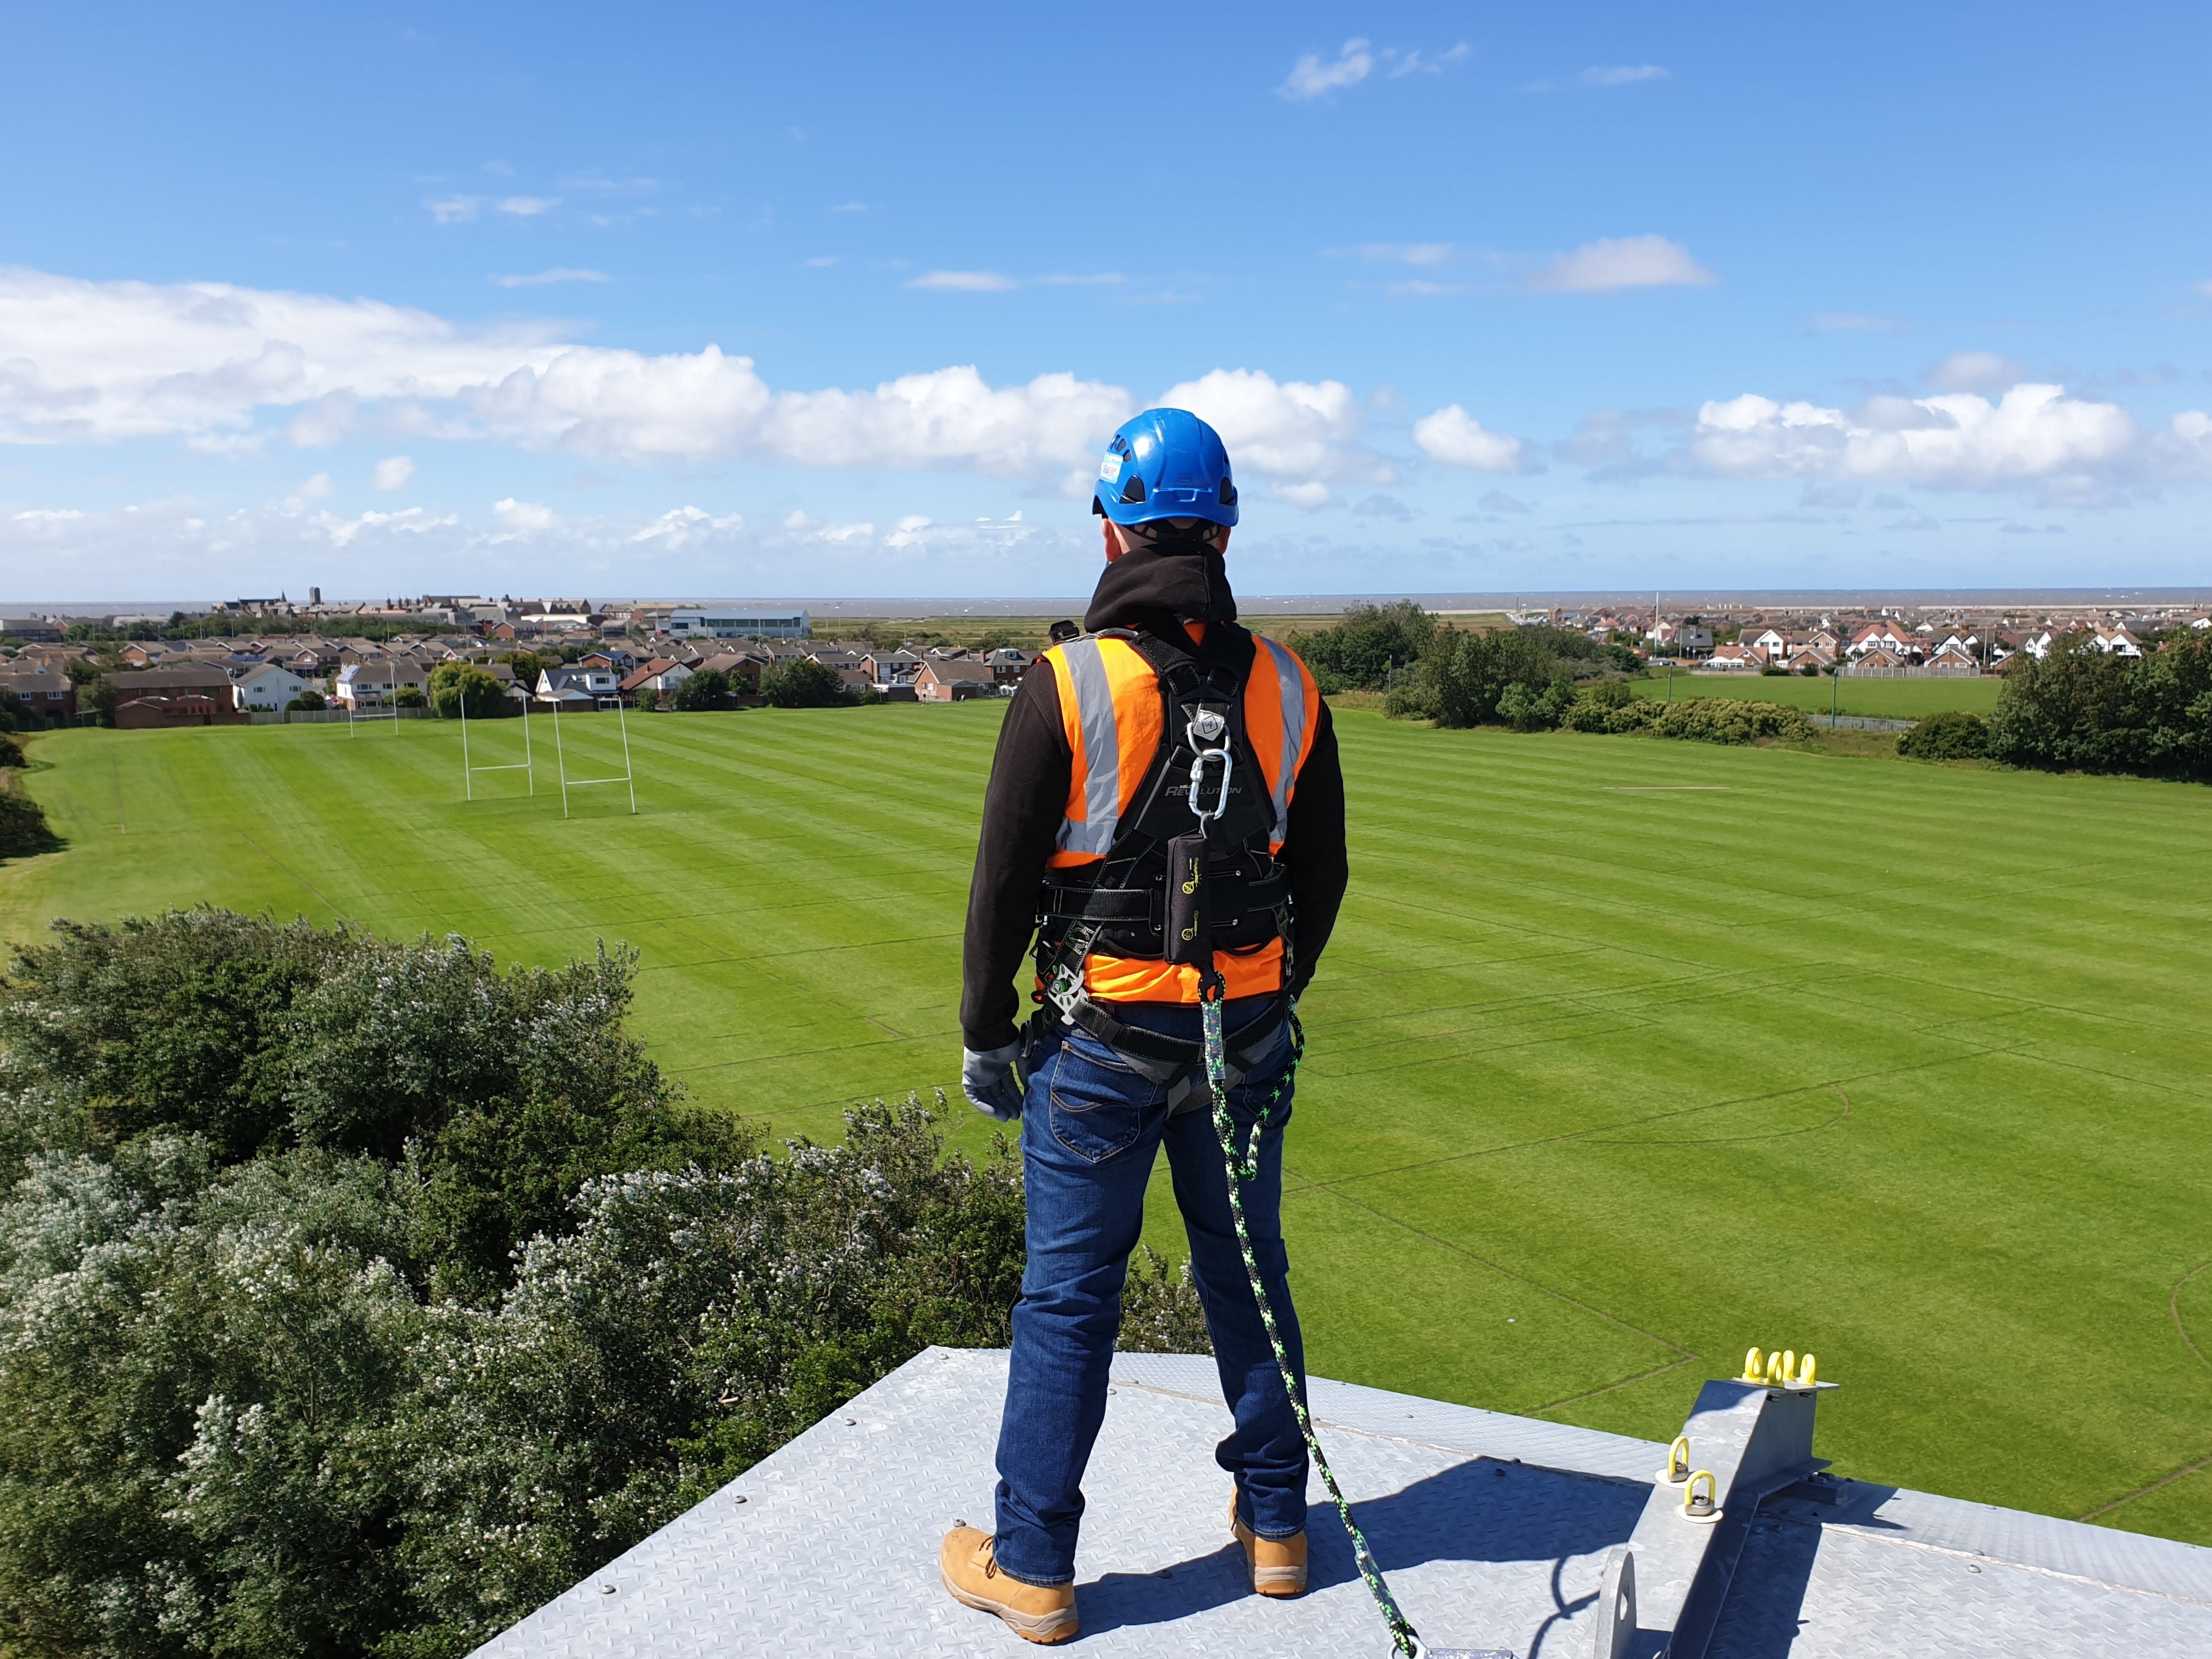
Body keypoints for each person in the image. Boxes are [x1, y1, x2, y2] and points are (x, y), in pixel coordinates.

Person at [940, 408, 1348, 1644]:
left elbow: (1002, 885)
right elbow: (1320, 874)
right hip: (1243, 1042)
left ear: (1112, 527)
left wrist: (986, 1030)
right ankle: (1276, 1530)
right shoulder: (1288, 683)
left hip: (1099, 1047)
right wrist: (1265, 996)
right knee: (1246, 1273)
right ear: (1224, 530)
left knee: (1069, 1302)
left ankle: (1034, 1568)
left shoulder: (1066, 682)